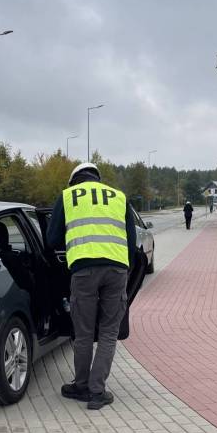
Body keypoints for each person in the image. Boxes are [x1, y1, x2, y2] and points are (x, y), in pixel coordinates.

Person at [47, 162, 138, 410]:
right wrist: (125, 270)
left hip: (83, 270)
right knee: (108, 332)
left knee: (84, 332)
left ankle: (81, 386)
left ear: (74, 180)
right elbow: (131, 242)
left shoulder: (67, 196)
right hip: (117, 270)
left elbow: (52, 240)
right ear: (97, 178)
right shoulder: (119, 197)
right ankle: (98, 392)